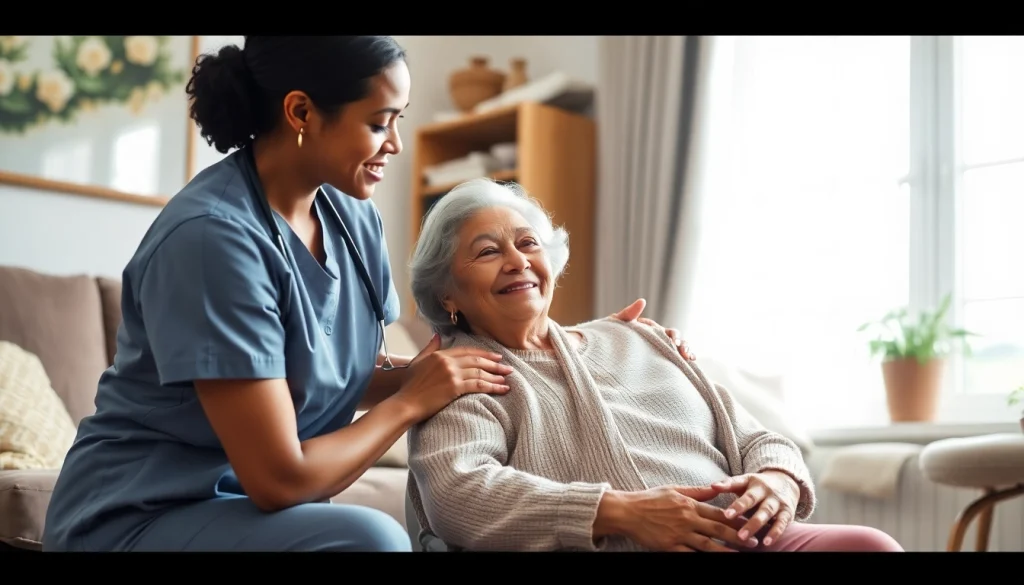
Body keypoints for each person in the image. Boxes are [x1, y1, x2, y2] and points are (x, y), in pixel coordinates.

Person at [41, 36, 692, 553]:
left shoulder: (352, 216)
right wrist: (412, 398)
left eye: (399, 120)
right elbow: (280, 479)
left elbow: (342, 371)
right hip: (143, 511)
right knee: (375, 537)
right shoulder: (212, 242)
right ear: (300, 112)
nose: (397, 145)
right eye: (379, 123)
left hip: (241, 503)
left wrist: (590, 347)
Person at [405, 178, 906, 553]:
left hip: (743, 537)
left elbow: (755, 437)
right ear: (447, 292)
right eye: (489, 252)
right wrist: (619, 511)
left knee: (869, 545)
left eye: (528, 243)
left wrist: (777, 480)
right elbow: (458, 494)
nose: (517, 260)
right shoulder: (462, 376)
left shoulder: (636, 337)